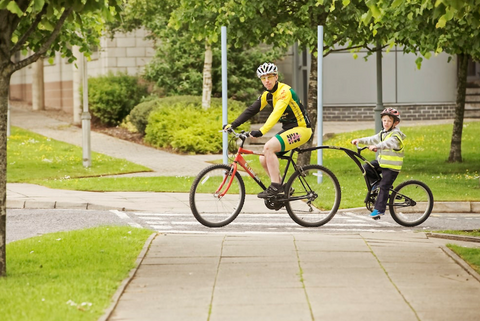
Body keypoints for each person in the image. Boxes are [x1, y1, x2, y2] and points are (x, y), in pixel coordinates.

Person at [223, 62, 312, 199]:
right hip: (289, 129)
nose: (266, 81)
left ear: (276, 77)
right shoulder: (267, 95)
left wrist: (261, 131)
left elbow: (276, 113)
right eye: (263, 78)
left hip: (301, 129)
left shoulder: (284, 91)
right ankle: (282, 187)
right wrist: (233, 125)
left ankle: (275, 186)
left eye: (269, 77)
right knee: (263, 157)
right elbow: (251, 110)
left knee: (268, 147)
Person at [351, 107, 406, 219]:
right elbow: (372, 139)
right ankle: (376, 184)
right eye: (384, 120)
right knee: (366, 167)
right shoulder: (383, 133)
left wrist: (377, 146)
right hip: (382, 163)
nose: (386, 123)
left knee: (384, 187)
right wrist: (359, 140)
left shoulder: (395, 136)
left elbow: (387, 144)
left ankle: (379, 210)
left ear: (395, 123)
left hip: (391, 167)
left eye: (389, 121)